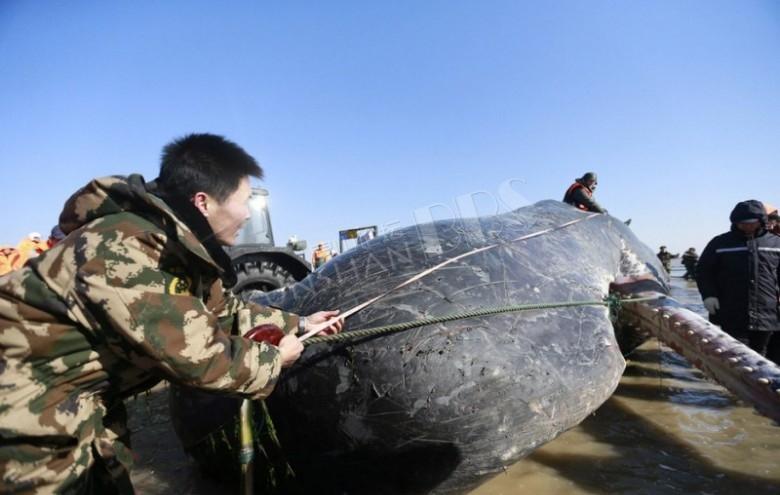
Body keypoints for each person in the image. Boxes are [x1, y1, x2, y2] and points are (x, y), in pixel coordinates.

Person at [0, 133, 343, 493]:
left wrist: (300, 323)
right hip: (26, 403)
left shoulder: (178, 248)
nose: (246, 214)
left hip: (82, 399)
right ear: (203, 202)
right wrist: (274, 359)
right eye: (242, 202)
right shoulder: (125, 247)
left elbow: (224, 311)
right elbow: (196, 357)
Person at [696, 200, 780, 362]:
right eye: (743, 223)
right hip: (732, 311)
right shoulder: (719, 243)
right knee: (737, 355)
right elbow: (704, 271)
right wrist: (709, 295)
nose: (747, 226)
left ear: (761, 221)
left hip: (767, 313)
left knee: (761, 356)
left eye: (752, 223)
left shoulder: (776, 243)